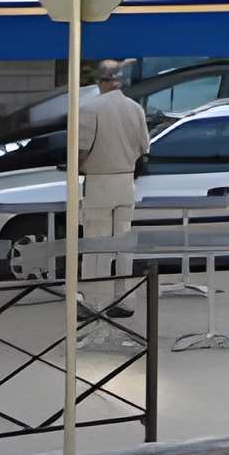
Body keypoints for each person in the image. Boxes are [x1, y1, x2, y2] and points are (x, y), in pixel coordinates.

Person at [70, 60, 150, 321]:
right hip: (126, 182)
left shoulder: (90, 108)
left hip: (99, 182)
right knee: (123, 243)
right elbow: (143, 147)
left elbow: (81, 149)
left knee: (97, 244)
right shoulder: (135, 108)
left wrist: (78, 167)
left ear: (100, 81)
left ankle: (94, 301)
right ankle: (125, 300)